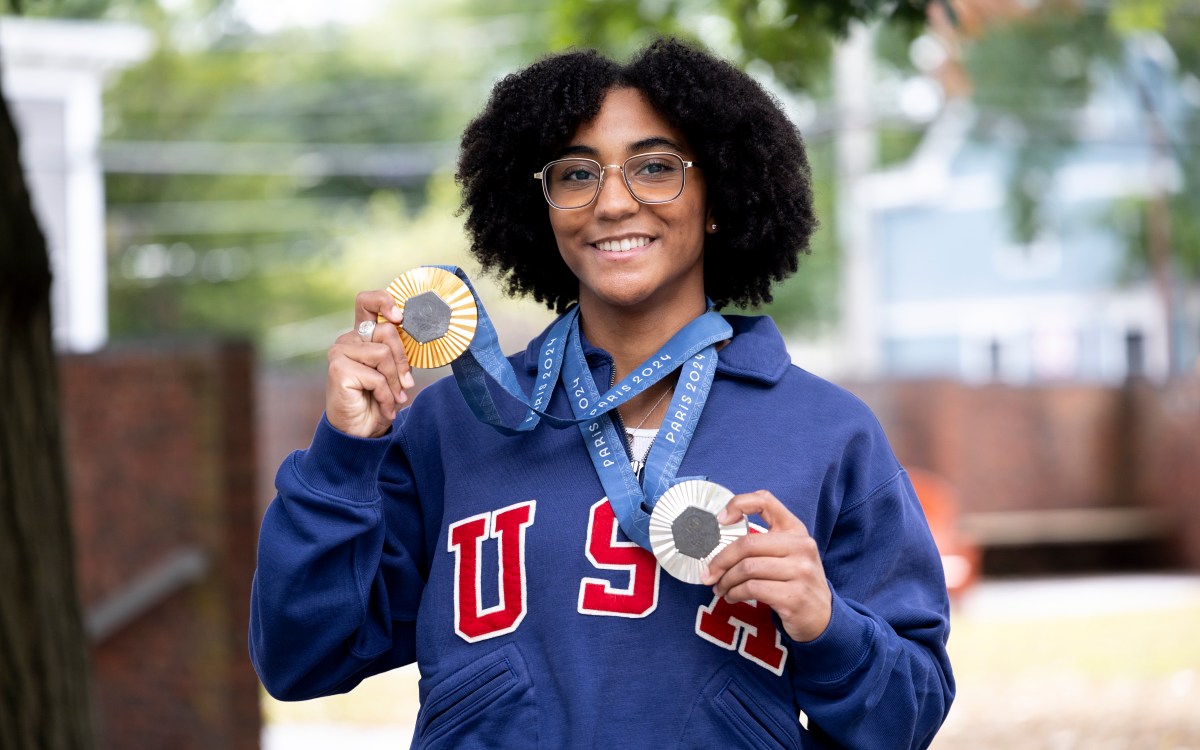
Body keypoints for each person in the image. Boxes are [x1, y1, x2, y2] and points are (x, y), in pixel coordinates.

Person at [249, 38, 955, 749]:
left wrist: (827, 624)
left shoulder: (827, 432)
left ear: (719, 197)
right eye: (576, 174)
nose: (613, 203)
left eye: (655, 168)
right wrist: (344, 457)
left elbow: (907, 716)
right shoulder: (452, 423)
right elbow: (300, 657)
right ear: (542, 209)